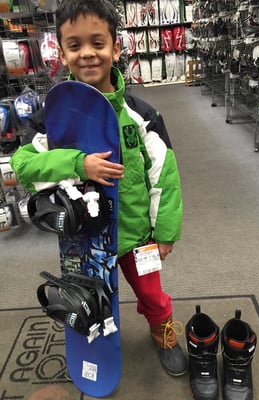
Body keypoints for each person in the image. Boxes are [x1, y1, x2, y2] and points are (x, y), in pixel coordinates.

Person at [10, 0, 187, 377]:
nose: (88, 53)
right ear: (62, 53)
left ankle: (162, 330)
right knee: (90, 300)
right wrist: (76, 163)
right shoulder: (54, 116)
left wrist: (166, 233)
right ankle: (95, 345)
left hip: (139, 236)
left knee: (153, 294)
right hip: (86, 240)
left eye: (98, 43)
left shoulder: (141, 115)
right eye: (75, 45)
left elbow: (165, 176)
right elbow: (24, 165)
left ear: (116, 48)